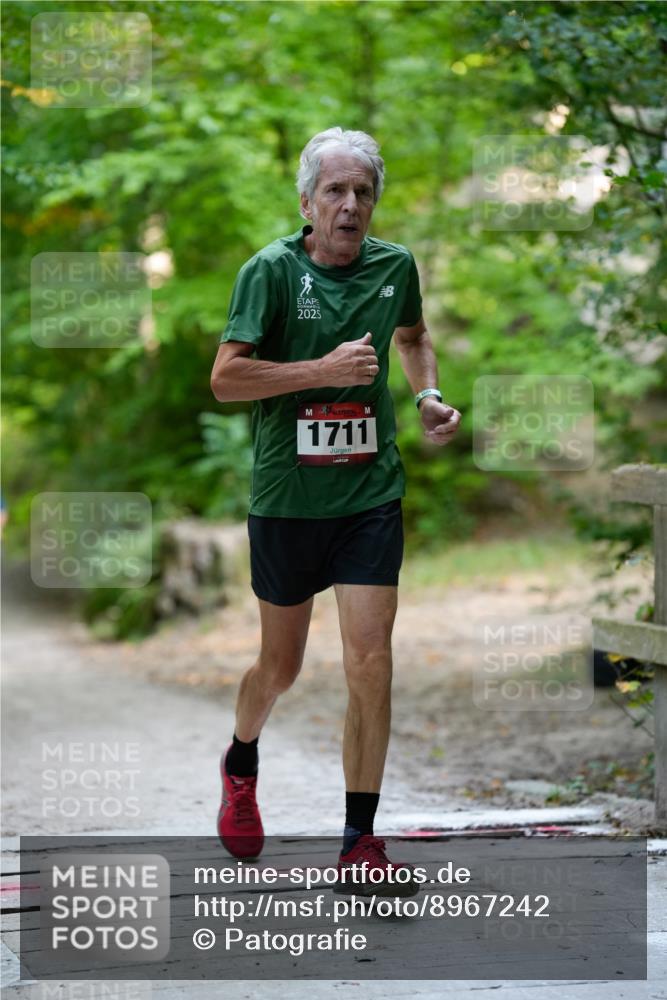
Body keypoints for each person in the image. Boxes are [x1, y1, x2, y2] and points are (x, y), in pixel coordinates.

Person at [210, 127, 461, 893]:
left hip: (368, 497)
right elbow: (226, 380)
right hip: (288, 502)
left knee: (370, 663)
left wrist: (425, 394)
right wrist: (320, 369)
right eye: (336, 192)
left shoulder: (394, 266)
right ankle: (241, 757)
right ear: (307, 202)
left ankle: (359, 842)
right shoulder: (271, 272)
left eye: (363, 194)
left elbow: (413, 337)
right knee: (278, 667)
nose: (350, 206)